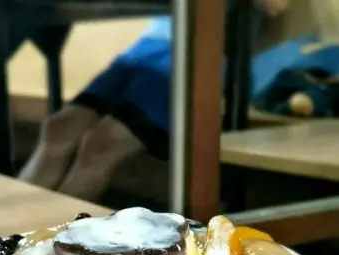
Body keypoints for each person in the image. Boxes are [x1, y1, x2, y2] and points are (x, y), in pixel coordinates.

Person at [19, 0, 291, 201]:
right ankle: (11, 236)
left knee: (102, 143)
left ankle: (53, 245)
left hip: (202, 47)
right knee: (59, 128)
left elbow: (277, 5)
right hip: (146, 45)